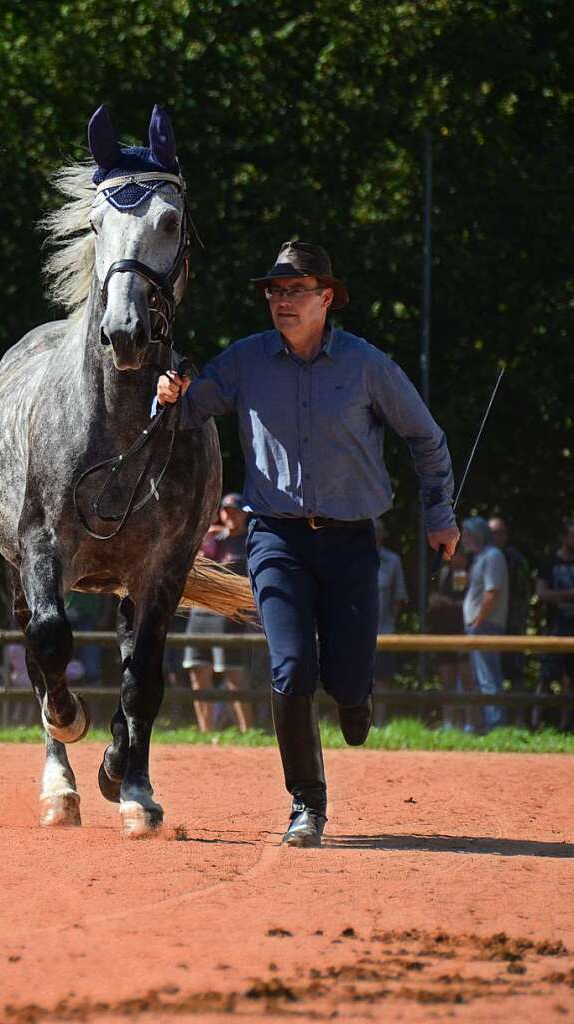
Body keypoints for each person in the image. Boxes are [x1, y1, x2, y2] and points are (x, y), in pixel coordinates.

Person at [157, 240, 458, 846]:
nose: (282, 300)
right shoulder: (244, 362)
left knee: (346, 680)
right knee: (291, 667)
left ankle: (354, 696)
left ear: (327, 297)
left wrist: (440, 514)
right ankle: (307, 805)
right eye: (274, 290)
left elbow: (427, 439)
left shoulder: (367, 365)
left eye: (295, 290)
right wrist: (169, 393)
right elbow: (189, 410)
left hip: (350, 544)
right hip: (276, 540)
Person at [183, 493, 255, 733]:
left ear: (245, 513)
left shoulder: (251, 542)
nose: (229, 515)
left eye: (235, 510)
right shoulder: (212, 540)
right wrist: (201, 541)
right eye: (225, 510)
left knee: (233, 674)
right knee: (197, 671)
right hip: (200, 614)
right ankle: (206, 732)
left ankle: (248, 731)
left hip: (230, 618)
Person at [461, 517, 509, 732]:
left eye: (466, 534)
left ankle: (495, 726)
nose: (462, 539)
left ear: (477, 534)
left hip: (485, 625)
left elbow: (493, 592)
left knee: (488, 677)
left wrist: (477, 622)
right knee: (479, 678)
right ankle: (483, 726)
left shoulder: (492, 556)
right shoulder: (480, 558)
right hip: (478, 625)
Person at [427, 546, 479, 731]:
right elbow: (437, 598)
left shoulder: (467, 573)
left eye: (455, 554)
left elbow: (465, 603)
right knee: (447, 680)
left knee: (467, 680)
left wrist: (447, 602)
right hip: (443, 632)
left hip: (462, 632)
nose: (451, 557)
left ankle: (470, 724)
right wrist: (434, 600)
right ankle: (449, 724)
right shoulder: (444, 573)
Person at [488, 516, 531, 719]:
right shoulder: (482, 557)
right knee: (490, 671)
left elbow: (524, 595)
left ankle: (519, 720)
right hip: (490, 623)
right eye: (491, 532)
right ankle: (493, 720)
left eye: (499, 532)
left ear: (506, 535)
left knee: (515, 673)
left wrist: (519, 622)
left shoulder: (516, 560)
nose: (495, 536)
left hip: (512, 624)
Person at [535, 520, 574, 732]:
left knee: (571, 680)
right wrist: (570, 595)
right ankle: (535, 722)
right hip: (554, 627)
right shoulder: (549, 562)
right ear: (563, 538)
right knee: (545, 676)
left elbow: (548, 593)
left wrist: (557, 596)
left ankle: (565, 726)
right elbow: (541, 593)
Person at [373, 518, 407, 723]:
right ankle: (360, 722)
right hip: (355, 631)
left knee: (382, 678)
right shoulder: (353, 558)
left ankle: (379, 721)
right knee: (355, 678)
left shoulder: (392, 561)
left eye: (378, 530)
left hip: (383, 631)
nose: (375, 534)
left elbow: (399, 596)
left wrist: (390, 622)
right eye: (372, 530)